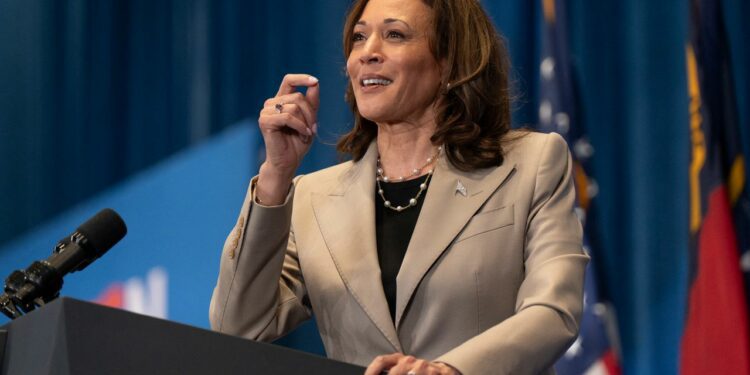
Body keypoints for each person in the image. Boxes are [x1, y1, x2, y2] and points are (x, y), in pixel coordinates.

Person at [209, 0, 588, 374]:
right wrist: (276, 174)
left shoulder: (530, 164)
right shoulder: (312, 199)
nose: (367, 53)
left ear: (449, 62)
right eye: (359, 37)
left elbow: (554, 311)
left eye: (395, 34)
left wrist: (451, 370)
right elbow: (237, 325)